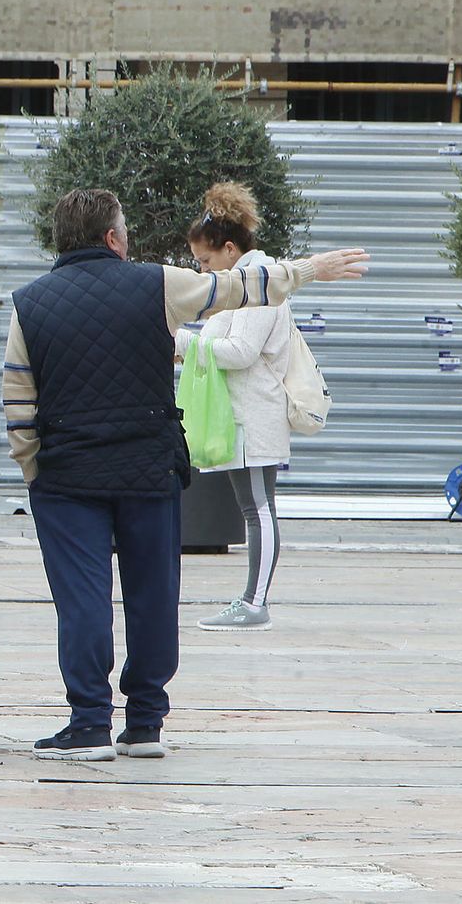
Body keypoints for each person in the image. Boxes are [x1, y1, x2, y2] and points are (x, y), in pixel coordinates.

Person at [2, 188, 368, 762]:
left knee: (83, 600)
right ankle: (145, 721)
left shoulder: (30, 302)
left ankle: (89, 722)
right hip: (149, 467)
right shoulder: (158, 284)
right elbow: (241, 289)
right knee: (152, 596)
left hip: (68, 478)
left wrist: (34, 471)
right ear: (112, 238)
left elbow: (18, 403)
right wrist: (309, 270)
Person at [177, 183, 293, 631]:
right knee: (254, 507)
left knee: (258, 508)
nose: (202, 270)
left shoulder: (259, 282)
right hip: (240, 414)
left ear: (229, 249)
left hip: (254, 414)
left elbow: (241, 351)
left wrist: (182, 343)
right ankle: (250, 600)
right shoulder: (244, 283)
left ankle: (255, 602)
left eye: (205, 262)